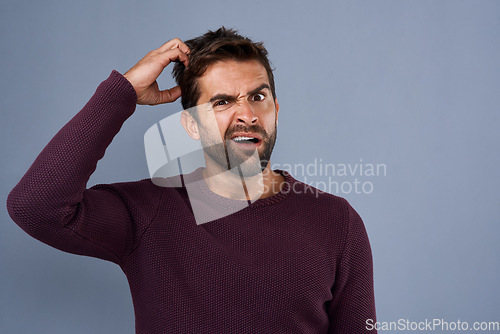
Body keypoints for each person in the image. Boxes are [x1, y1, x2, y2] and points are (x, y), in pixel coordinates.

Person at [7, 27, 377, 333]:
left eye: (257, 96)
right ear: (191, 126)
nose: (246, 114)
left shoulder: (336, 221)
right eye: (221, 102)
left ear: (275, 110)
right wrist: (122, 93)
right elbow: (36, 206)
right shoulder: (149, 212)